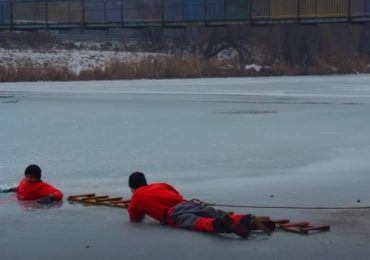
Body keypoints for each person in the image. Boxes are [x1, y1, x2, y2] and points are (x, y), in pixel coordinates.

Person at [127, 172, 275, 238]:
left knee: (196, 221)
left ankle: (219, 224)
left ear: (132, 188)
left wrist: (142, 211)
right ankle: (245, 219)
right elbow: (176, 193)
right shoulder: (160, 185)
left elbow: (134, 217)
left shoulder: (137, 196)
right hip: (185, 203)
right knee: (211, 211)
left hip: (173, 213)